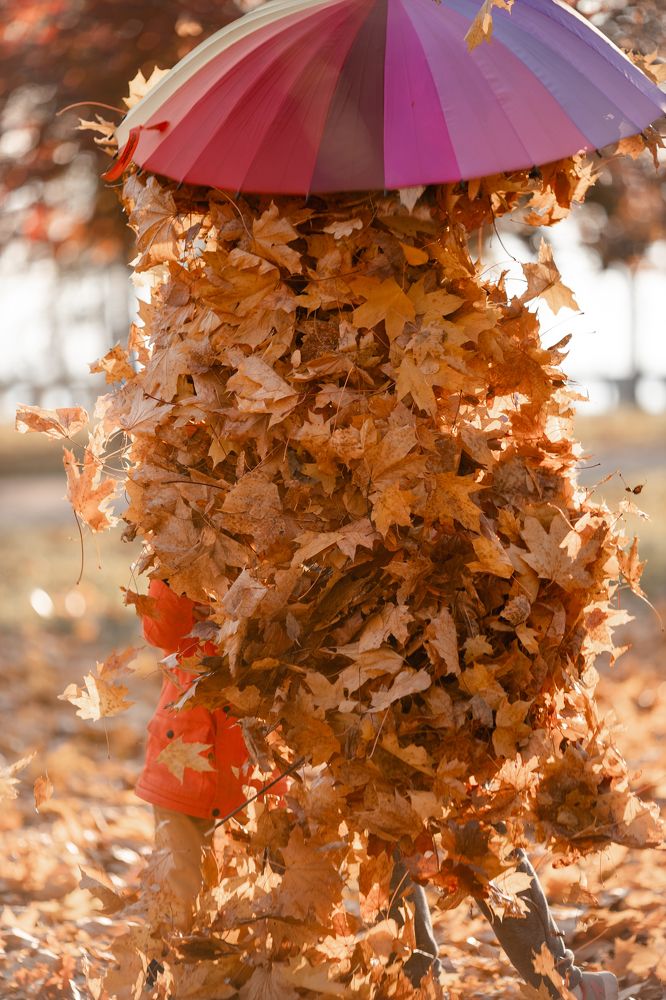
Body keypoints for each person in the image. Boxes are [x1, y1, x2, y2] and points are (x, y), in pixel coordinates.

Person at [137, 580, 618, 1000]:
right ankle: (414, 984)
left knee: (472, 836)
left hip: (418, 682)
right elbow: (165, 629)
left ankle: (559, 983)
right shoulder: (211, 569)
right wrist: (184, 579)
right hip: (217, 766)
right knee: (383, 846)